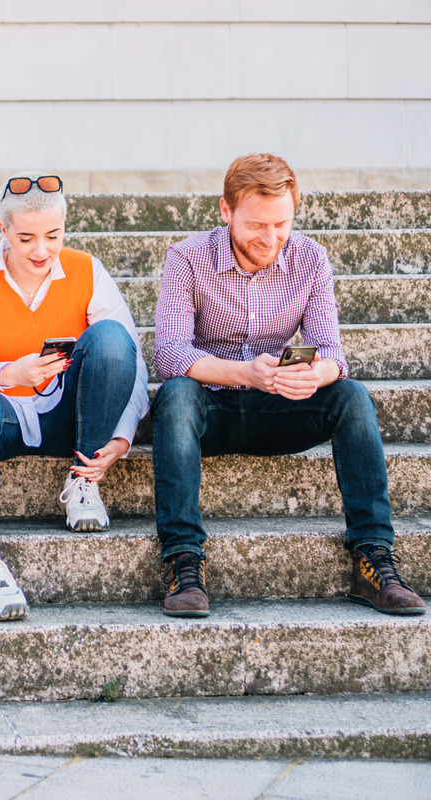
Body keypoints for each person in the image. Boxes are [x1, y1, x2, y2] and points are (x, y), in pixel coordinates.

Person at [152, 153, 425, 618]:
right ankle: (184, 560)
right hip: (210, 411)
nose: (271, 238)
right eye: (257, 225)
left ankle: (373, 557)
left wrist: (312, 374)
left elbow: (333, 355)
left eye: (282, 224)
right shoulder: (187, 257)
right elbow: (170, 354)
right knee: (175, 395)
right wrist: (245, 374)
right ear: (226, 211)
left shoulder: (311, 258)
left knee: (352, 395)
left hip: (279, 406)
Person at [0, 172, 149, 620]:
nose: (41, 250)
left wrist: (121, 437)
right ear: (3, 229)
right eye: (26, 237)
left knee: (109, 336)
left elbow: (132, 362)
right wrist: (8, 372)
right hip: (3, 418)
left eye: (53, 235)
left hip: (73, 417)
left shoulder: (88, 271)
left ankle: (83, 479)